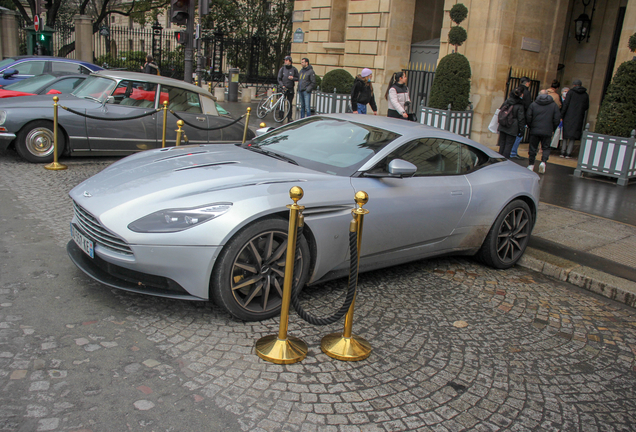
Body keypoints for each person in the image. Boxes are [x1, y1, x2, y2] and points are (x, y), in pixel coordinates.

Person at [526, 90, 561, 174]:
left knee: (533, 147)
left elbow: (528, 116)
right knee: (546, 147)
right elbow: (557, 119)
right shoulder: (554, 105)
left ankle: (531, 164)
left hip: (535, 129)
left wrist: (531, 126)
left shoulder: (533, 104)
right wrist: (553, 128)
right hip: (547, 130)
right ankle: (543, 162)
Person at [560, 79, 589, 158]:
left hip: (568, 116)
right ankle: (569, 152)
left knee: (566, 134)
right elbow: (586, 107)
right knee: (573, 136)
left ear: (574, 85)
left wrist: (561, 115)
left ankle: (563, 151)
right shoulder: (585, 94)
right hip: (578, 117)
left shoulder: (571, 93)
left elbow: (565, 104)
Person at [497, 86, 526, 159]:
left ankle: (499, 159)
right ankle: (505, 160)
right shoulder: (520, 105)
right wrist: (521, 130)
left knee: (502, 144)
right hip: (513, 126)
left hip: (503, 124)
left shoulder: (507, 101)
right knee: (509, 145)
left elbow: (500, 110)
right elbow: (521, 119)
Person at [510, 76, 532, 160]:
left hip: (512, 116)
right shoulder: (526, 93)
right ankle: (513, 152)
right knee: (519, 134)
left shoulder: (514, 90)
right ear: (527, 83)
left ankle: (511, 151)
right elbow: (527, 106)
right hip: (520, 116)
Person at [277, 56, 299, 122]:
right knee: (281, 103)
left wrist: (293, 78)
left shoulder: (294, 69)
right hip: (283, 88)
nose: (285, 61)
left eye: (286, 60)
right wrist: (282, 85)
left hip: (290, 88)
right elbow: (279, 78)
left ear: (290, 61)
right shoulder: (282, 69)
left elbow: (298, 78)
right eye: (285, 60)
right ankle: (280, 116)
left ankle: (289, 117)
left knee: (290, 103)